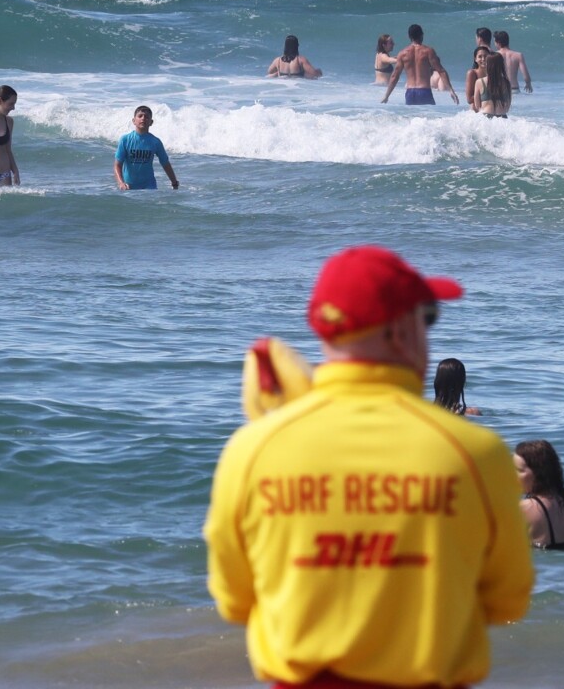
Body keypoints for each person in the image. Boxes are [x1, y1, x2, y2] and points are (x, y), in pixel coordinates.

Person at [204, 245, 533, 689]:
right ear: (400, 330)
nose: (428, 331)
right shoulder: (477, 453)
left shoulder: (251, 450)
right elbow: (509, 600)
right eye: (428, 316)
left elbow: (234, 602)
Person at [382, 24, 459, 105]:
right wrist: (451, 91)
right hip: (424, 91)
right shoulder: (428, 51)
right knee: (429, 117)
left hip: (410, 93)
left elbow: (395, 76)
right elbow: (441, 71)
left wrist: (386, 95)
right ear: (421, 35)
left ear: (409, 37)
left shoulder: (402, 53)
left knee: (411, 117)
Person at [114, 105, 179, 191]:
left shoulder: (155, 142)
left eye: (146, 117)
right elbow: (117, 165)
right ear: (134, 121)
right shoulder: (125, 140)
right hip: (129, 187)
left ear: (151, 122)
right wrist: (121, 183)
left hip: (149, 187)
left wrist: (174, 182)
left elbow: (165, 163)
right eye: (140, 116)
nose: (143, 118)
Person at [474, 52, 512, 117]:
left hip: (486, 116)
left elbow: (477, 106)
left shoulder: (480, 82)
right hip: (502, 118)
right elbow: (507, 107)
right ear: (501, 65)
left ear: (487, 65)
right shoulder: (506, 82)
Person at [465, 45, 490, 112]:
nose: (483, 59)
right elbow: (469, 99)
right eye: (480, 56)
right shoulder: (472, 73)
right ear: (475, 59)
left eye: (486, 56)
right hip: (476, 114)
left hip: (490, 112)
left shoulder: (492, 74)